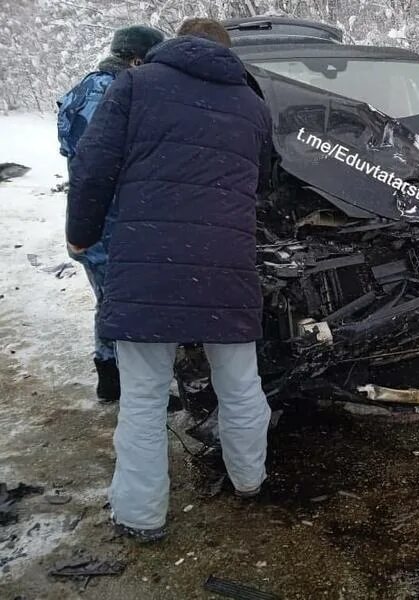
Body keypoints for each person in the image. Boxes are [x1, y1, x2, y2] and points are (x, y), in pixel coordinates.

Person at [66, 18, 273, 542]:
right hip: (226, 265)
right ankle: (250, 481)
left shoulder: (135, 85)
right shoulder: (251, 101)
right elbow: (266, 181)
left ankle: (140, 517)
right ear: (227, 53)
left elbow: (93, 165)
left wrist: (80, 234)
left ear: (175, 43)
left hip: (149, 264)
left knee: (143, 397)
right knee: (241, 386)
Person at [57, 25, 165, 402]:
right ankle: (128, 384)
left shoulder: (88, 88)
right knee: (122, 302)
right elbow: (97, 162)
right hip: (109, 216)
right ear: (136, 59)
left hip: (97, 213)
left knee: (110, 298)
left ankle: (112, 377)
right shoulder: (108, 93)